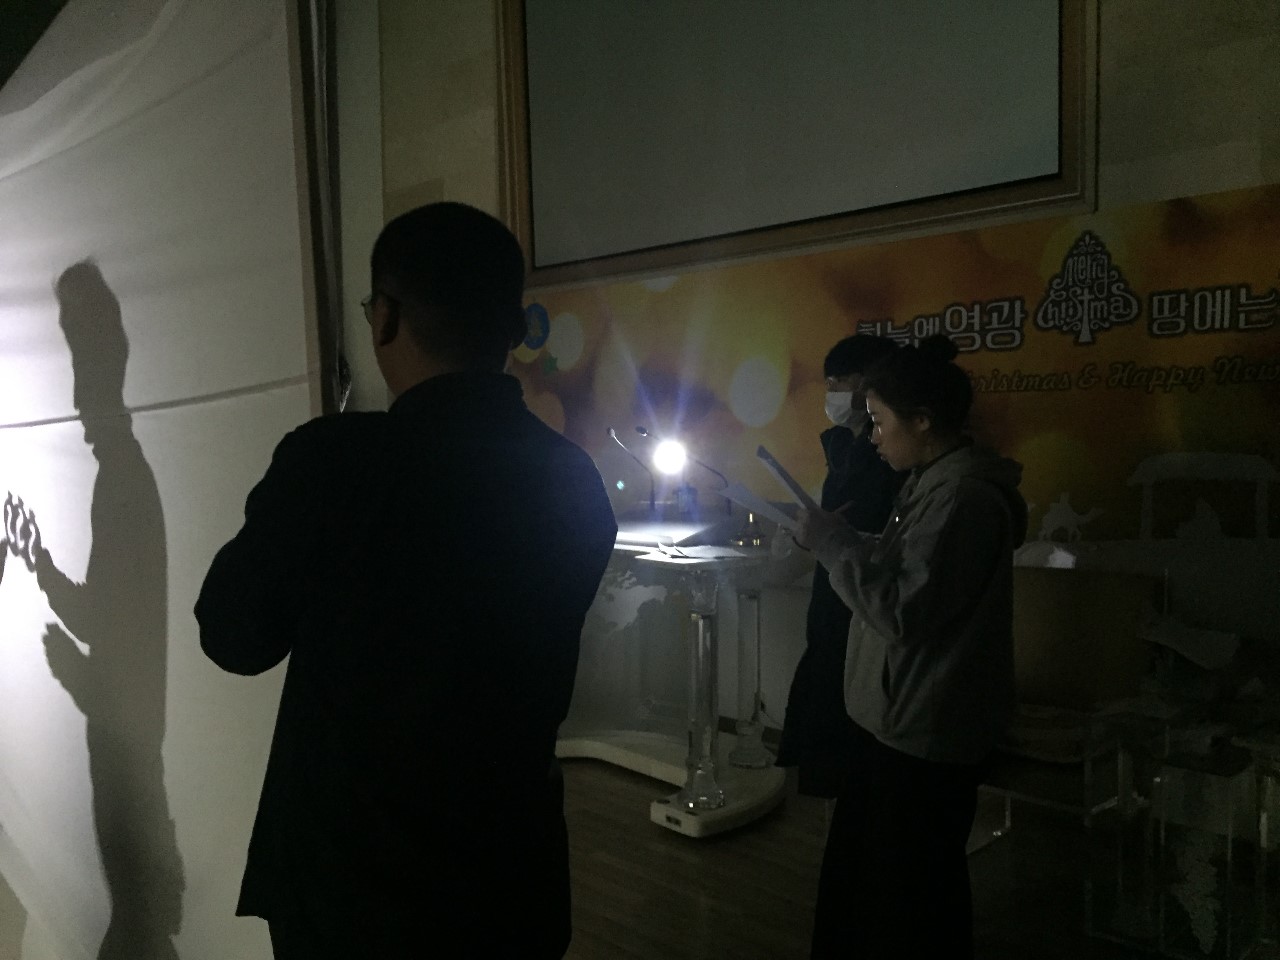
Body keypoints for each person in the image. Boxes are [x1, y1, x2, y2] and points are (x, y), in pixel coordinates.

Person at [195, 202, 618, 959]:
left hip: (352, 886)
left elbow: (233, 637)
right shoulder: (573, 480)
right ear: (512, 327)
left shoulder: (331, 462)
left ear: (385, 316)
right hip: (509, 878)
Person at [796, 334, 1027, 959]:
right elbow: (911, 573)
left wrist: (833, 547)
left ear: (922, 421)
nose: (872, 437)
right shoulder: (933, 484)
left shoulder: (963, 499)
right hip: (897, 720)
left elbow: (903, 611)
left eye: (878, 422)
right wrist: (851, 541)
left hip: (924, 726)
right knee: (875, 882)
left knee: (910, 896)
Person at [775, 334, 903, 798]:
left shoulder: (894, 458)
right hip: (833, 584)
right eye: (828, 383)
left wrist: (835, 537)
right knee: (827, 673)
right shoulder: (843, 446)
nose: (831, 393)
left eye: (840, 382)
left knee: (854, 696)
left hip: (867, 589)